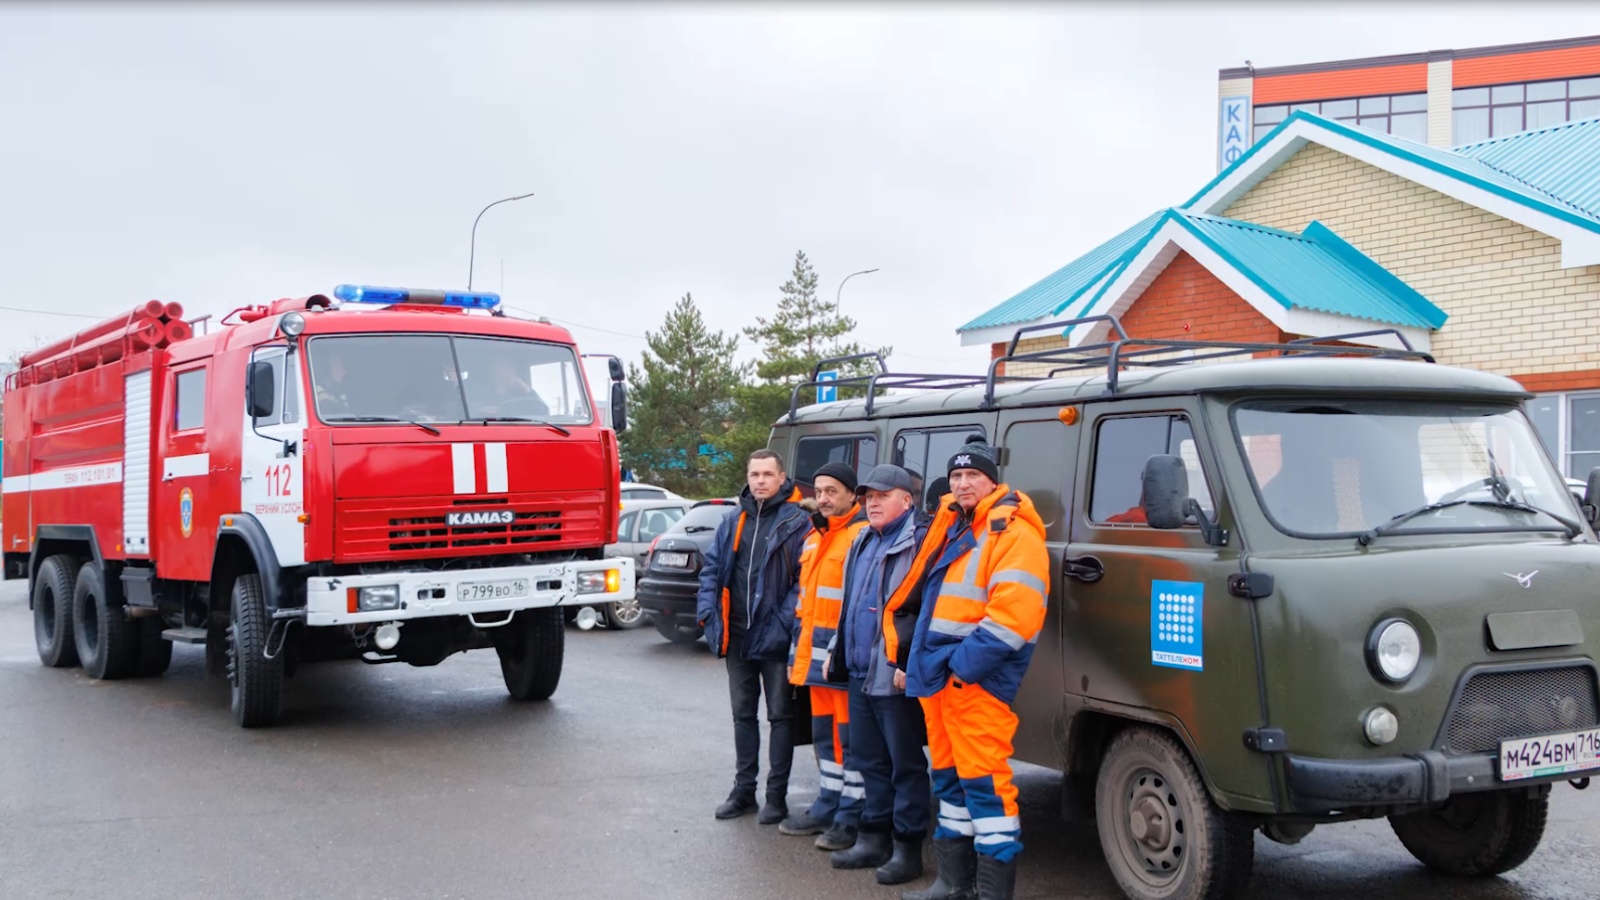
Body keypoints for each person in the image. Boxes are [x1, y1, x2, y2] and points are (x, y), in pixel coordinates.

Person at [903, 439, 1048, 900]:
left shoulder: (1013, 534)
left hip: (974, 680)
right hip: (943, 677)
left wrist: (962, 669)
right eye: (956, 476)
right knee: (948, 780)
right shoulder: (953, 526)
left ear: (992, 481)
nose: (963, 483)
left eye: (973, 476)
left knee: (985, 785)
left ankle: (990, 893)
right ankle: (953, 883)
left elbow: (1015, 618)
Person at [825, 463, 933, 886]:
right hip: (859, 670)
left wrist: (909, 662)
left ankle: (908, 848)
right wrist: (836, 650)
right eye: (868, 497)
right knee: (869, 759)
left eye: (882, 496)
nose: (872, 503)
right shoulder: (863, 539)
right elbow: (850, 603)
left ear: (906, 500)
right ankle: (874, 838)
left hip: (893, 673)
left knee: (905, 764)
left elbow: (923, 610)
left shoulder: (919, 542)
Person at [697, 449, 813, 824]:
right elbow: (711, 570)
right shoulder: (733, 520)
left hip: (775, 639)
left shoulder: (798, 521)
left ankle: (776, 798)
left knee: (780, 718)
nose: (760, 480)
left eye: (767, 474)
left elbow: (804, 580)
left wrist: (781, 623)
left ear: (782, 478)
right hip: (737, 637)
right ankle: (743, 792)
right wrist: (707, 613)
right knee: (742, 716)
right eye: (754, 474)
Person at [781, 462, 870, 850]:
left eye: (832, 491)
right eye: (819, 491)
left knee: (852, 742)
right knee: (825, 737)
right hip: (816, 659)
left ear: (852, 494)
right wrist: (795, 656)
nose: (824, 498)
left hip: (843, 659)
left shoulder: (860, 536)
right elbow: (805, 605)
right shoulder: (815, 537)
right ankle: (827, 803)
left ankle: (852, 814)